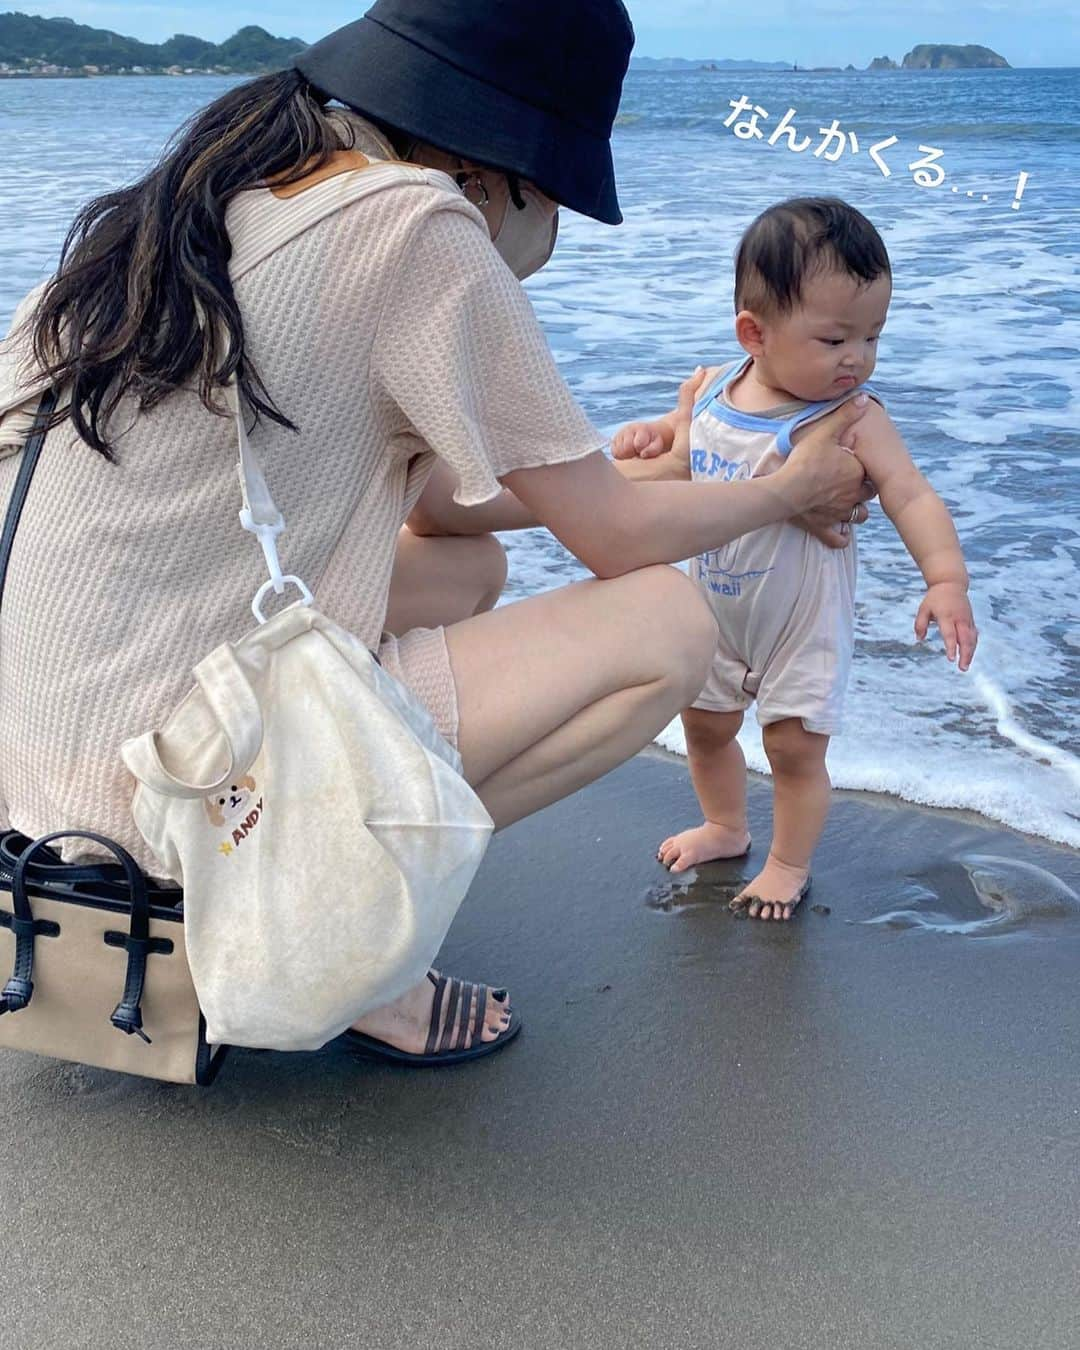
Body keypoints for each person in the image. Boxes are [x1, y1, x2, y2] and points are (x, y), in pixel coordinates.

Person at [0, 3, 873, 1066]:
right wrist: (793, 489)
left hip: (43, 779)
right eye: (548, 186)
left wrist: (664, 463)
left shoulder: (216, 196)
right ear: (490, 164)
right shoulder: (415, 224)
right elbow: (614, 540)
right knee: (669, 624)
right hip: (168, 812)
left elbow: (448, 510)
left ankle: (331, 868)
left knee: (468, 569)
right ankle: (345, 948)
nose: (544, 215)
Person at [612, 197, 978, 920]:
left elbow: (909, 494)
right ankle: (725, 825)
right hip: (714, 609)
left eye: (873, 336)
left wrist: (946, 578)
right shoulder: (712, 386)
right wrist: (653, 435)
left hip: (801, 624)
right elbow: (689, 449)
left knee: (793, 748)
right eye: (835, 338)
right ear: (755, 333)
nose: (858, 358)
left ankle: (787, 862)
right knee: (706, 725)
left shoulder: (853, 419)